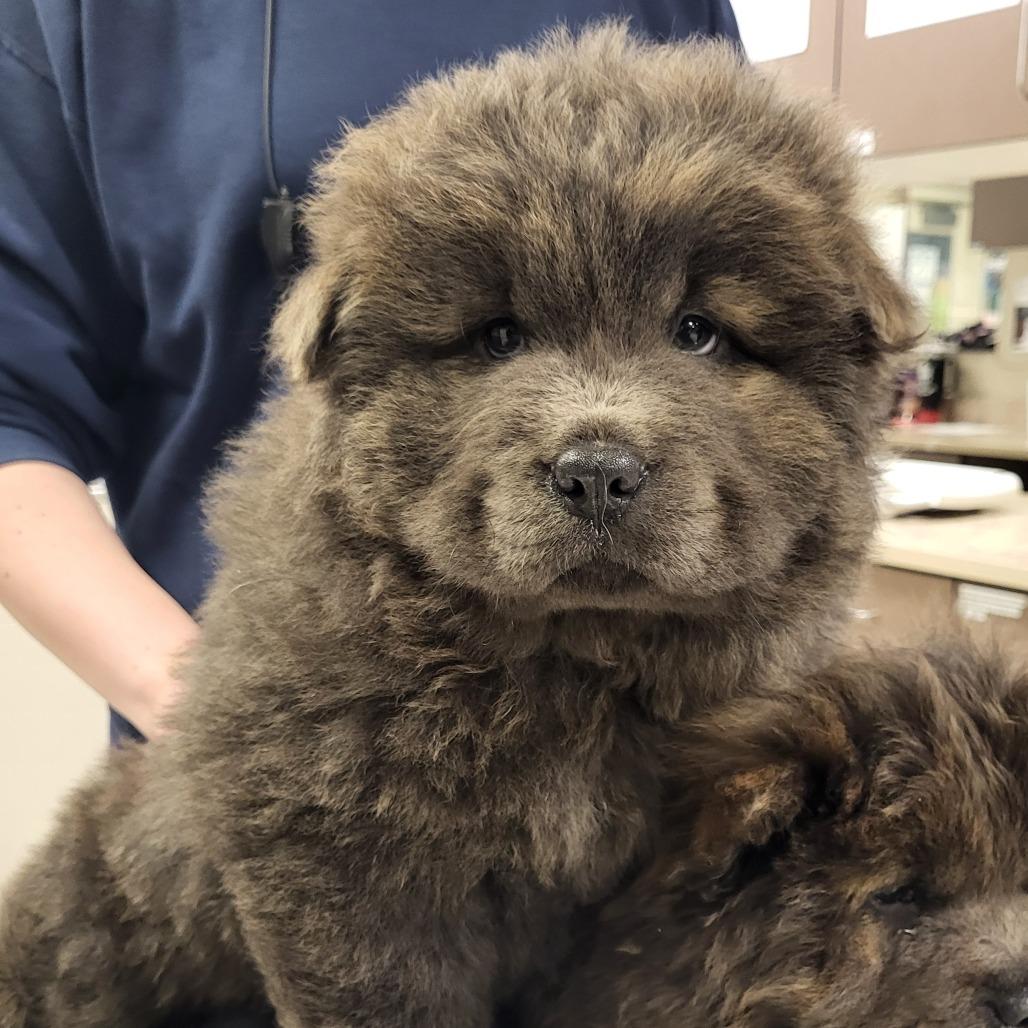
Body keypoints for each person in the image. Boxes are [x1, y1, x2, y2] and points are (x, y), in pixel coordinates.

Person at [0, 2, 740, 748]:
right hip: (321, 722)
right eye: (499, 338)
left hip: (685, 736)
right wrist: (205, 706)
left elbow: (782, 265)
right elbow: (10, 410)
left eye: (693, 335)